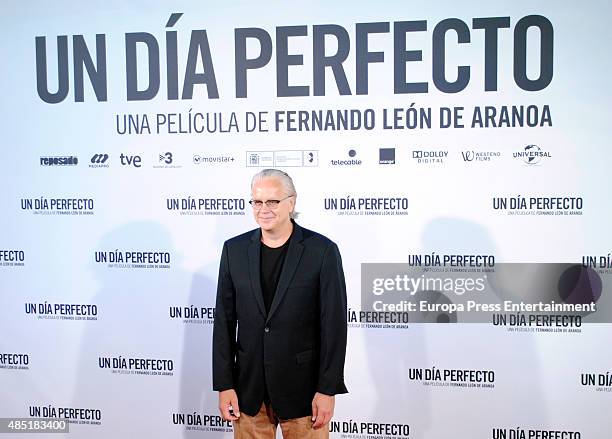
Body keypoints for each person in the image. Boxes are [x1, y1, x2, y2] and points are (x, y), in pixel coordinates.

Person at [212, 168, 348, 438]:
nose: (264, 209)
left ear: (292, 202)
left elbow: (333, 325)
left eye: (272, 201)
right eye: (257, 201)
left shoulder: (322, 251)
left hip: (305, 394)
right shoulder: (233, 250)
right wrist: (224, 384)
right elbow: (224, 323)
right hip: (248, 394)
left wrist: (327, 389)